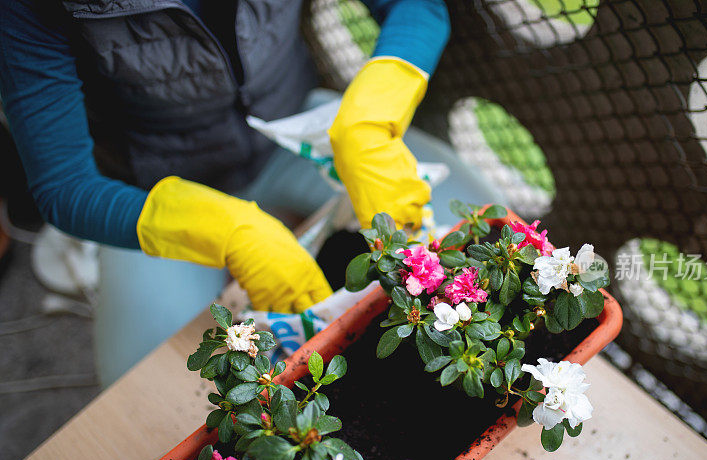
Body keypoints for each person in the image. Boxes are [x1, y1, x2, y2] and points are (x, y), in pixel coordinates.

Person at [0, 0, 500, 385]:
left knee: (484, 246)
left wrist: (371, 119)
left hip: (296, 130)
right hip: (154, 188)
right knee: (146, 387)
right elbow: (63, 187)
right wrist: (237, 233)